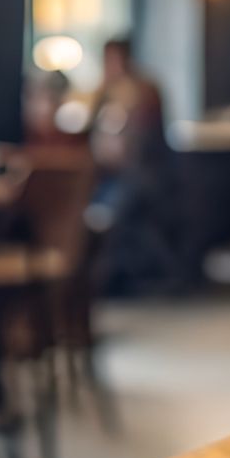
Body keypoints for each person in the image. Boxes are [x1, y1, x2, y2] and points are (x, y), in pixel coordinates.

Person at [88, 37, 186, 292]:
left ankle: (106, 279)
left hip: (149, 175)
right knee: (94, 204)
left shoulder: (143, 91)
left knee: (112, 208)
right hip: (118, 175)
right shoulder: (106, 93)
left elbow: (135, 148)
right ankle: (101, 278)